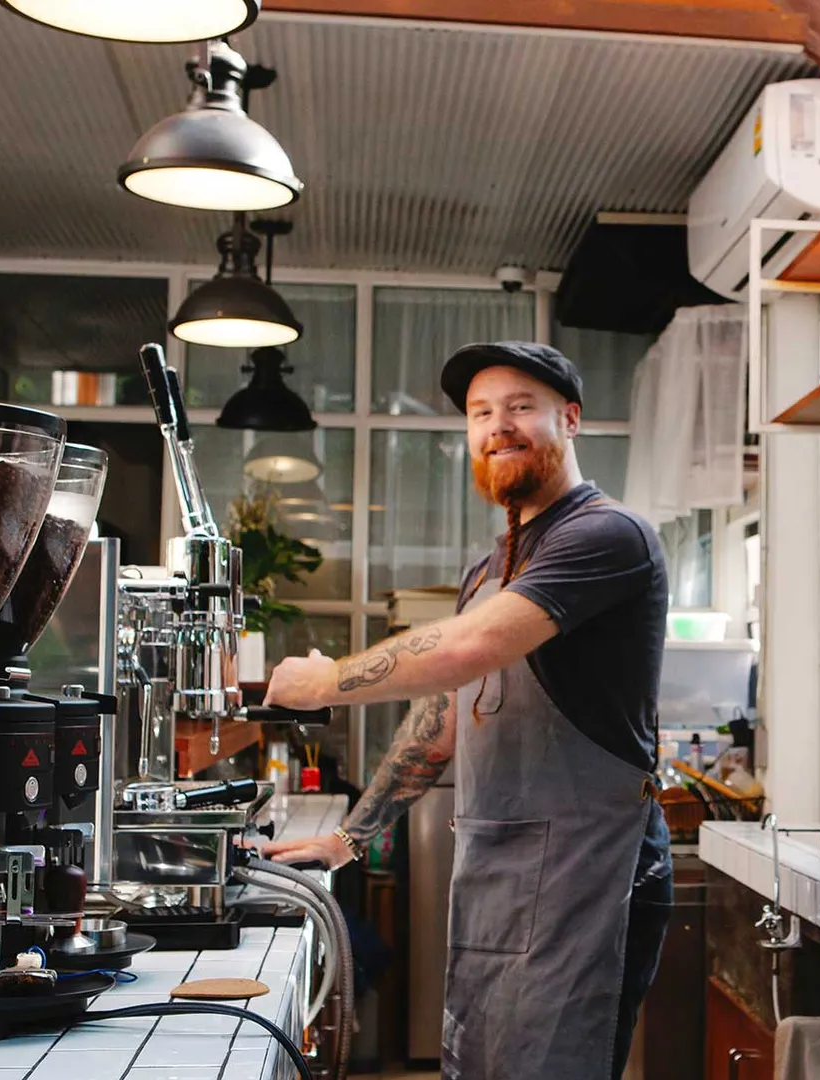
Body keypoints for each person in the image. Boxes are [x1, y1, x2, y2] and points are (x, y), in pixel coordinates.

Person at [260, 342, 673, 1080]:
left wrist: (329, 682)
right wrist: (352, 838)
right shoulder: (490, 569)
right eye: (481, 414)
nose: (497, 427)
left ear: (570, 419)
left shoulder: (607, 536)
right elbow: (444, 717)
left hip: (588, 872)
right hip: (497, 870)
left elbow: (470, 648)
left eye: (520, 407)